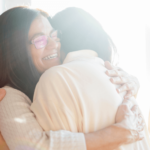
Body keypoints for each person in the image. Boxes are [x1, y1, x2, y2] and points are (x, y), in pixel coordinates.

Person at [0, 6, 144, 150]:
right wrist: (119, 134)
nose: (54, 44)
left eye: (54, 35)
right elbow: (35, 147)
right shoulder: (7, 96)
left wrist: (132, 82)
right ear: (15, 51)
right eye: (40, 40)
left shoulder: (55, 81)